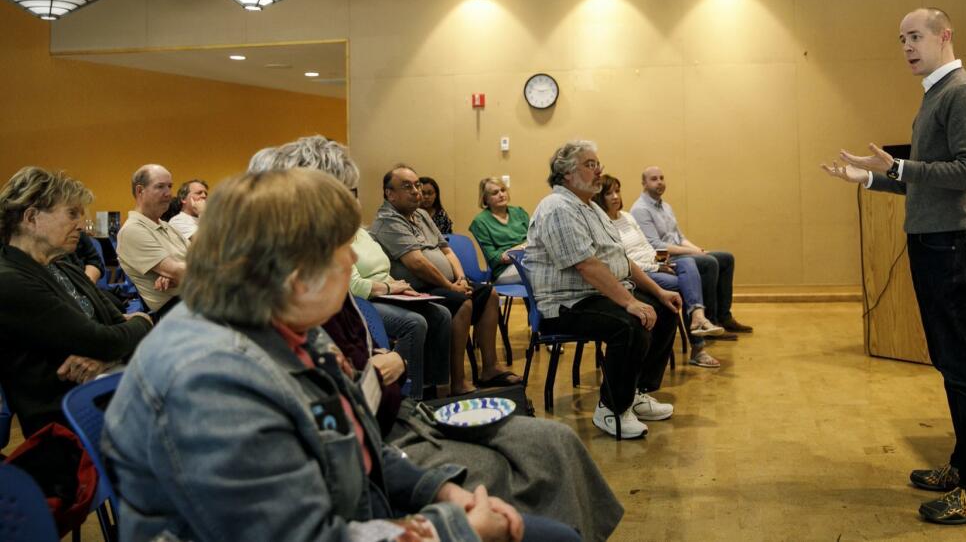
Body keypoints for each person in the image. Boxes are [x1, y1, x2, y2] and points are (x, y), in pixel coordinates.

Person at [101, 168, 583, 542]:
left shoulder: (281, 327)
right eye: (340, 249)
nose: (353, 260)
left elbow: (347, 438)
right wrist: (456, 530)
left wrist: (437, 490)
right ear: (295, 275)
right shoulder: (208, 383)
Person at [821, 7, 966, 524]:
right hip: (933, 245)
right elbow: (927, 177)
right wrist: (872, 179)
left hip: (952, 247)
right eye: (901, 38)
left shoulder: (962, 91)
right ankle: (964, 465)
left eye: (915, 36)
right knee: (950, 365)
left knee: (965, 370)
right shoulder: (935, 95)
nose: (906, 47)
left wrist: (898, 165)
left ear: (945, 36)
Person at [263, 135, 453, 402]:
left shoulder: (333, 304)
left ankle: (433, 390)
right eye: (343, 197)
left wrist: (386, 364)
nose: (350, 257)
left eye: (352, 195)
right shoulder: (267, 325)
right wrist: (376, 373)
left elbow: (367, 370)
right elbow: (348, 419)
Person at [524, 140, 680, 439]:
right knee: (630, 323)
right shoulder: (558, 207)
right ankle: (611, 408)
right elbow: (587, 265)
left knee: (665, 310)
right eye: (590, 165)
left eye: (599, 165)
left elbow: (621, 259)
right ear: (567, 173)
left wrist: (658, 293)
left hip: (596, 294)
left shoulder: (591, 207)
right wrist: (630, 303)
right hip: (566, 304)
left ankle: (634, 392)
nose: (599, 171)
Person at [0, 167, 152, 438]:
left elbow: (113, 326)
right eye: (72, 214)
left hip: (109, 388)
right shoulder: (10, 280)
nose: (81, 226)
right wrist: (142, 320)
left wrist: (106, 355)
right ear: (31, 218)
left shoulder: (61, 264)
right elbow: (107, 339)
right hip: (70, 418)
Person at [372, 165, 520, 395]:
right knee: (463, 302)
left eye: (417, 185)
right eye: (407, 186)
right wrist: (451, 286)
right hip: (418, 289)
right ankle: (457, 381)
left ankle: (489, 368)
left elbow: (446, 250)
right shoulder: (388, 221)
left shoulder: (420, 214)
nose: (415, 191)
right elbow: (416, 264)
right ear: (389, 194)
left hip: (444, 283)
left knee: (488, 294)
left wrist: (460, 277)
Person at [593, 174, 723, 368]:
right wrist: (656, 267)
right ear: (599, 197)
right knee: (683, 286)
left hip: (655, 264)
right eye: (608, 193)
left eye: (617, 191)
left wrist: (662, 262)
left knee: (688, 261)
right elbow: (624, 261)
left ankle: (698, 316)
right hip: (639, 273)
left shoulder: (627, 217)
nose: (615, 197)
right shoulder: (603, 224)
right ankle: (699, 349)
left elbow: (647, 247)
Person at [630, 166, 751, 334]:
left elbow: (680, 237)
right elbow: (655, 246)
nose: (659, 182)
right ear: (643, 183)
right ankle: (708, 320)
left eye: (662, 178)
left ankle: (725, 317)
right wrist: (692, 253)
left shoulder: (666, 207)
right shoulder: (640, 209)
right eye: (654, 179)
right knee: (709, 263)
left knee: (726, 258)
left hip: (677, 252)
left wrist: (697, 249)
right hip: (660, 258)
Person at [116, 164, 189, 311]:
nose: (169, 193)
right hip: (178, 312)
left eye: (170, 186)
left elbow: (202, 258)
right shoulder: (132, 230)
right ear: (140, 191)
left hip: (195, 300)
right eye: (160, 187)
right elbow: (180, 271)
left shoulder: (167, 226)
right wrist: (177, 272)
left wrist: (177, 275)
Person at [468, 177, 529, 285]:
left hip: (529, 261)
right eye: (495, 193)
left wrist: (513, 252)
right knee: (540, 271)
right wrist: (524, 247)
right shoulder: (480, 222)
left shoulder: (519, 212)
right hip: (503, 271)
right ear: (485, 199)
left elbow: (536, 240)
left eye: (503, 190)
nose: (501, 195)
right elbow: (494, 258)